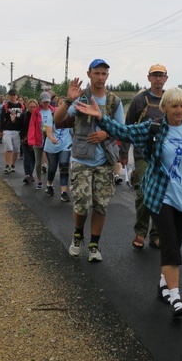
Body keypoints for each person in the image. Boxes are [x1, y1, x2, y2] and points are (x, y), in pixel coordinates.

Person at [75, 87, 182, 318]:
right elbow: (123, 131)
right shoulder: (154, 128)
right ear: (165, 107)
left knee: (175, 243)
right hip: (161, 195)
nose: (179, 110)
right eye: (175, 106)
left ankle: (163, 283)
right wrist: (101, 117)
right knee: (169, 244)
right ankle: (176, 296)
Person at [54, 59, 124, 262]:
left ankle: (94, 244)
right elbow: (58, 120)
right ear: (89, 74)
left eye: (104, 73)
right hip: (82, 159)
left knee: (101, 205)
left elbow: (122, 130)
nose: (100, 77)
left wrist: (105, 134)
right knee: (82, 204)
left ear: (107, 76)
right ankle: (77, 236)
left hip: (105, 160)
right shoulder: (81, 98)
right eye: (97, 73)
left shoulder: (114, 101)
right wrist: (68, 100)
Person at [122, 63, 168, 250]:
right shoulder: (139, 100)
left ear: (166, 78)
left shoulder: (170, 99)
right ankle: (140, 232)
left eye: (161, 75)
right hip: (142, 153)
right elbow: (127, 127)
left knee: (162, 194)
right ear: (149, 78)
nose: (158, 79)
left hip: (165, 155)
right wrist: (124, 152)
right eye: (154, 75)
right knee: (143, 191)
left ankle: (156, 234)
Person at [29, 91, 55, 190]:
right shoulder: (36, 112)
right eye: (44, 102)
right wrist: (31, 140)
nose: (46, 103)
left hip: (49, 138)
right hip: (38, 138)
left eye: (48, 101)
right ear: (40, 101)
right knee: (38, 162)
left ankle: (50, 182)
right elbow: (32, 126)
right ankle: (39, 180)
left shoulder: (53, 110)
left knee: (51, 162)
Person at [0, 89, 25, 174]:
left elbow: (23, 119)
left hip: (17, 130)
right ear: (9, 96)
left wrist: (23, 130)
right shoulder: (6, 106)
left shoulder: (21, 106)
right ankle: (7, 165)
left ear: (16, 95)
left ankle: (13, 165)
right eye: (10, 95)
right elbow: (2, 118)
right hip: (7, 130)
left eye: (14, 95)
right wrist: (0, 130)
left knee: (16, 149)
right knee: (8, 147)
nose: (12, 96)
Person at [21, 99, 38, 183]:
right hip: (25, 140)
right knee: (27, 156)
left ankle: (30, 173)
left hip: (36, 140)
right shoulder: (24, 115)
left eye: (34, 107)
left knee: (33, 157)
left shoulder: (39, 116)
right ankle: (28, 174)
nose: (32, 108)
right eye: (31, 107)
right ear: (27, 107)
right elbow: (19, 126)